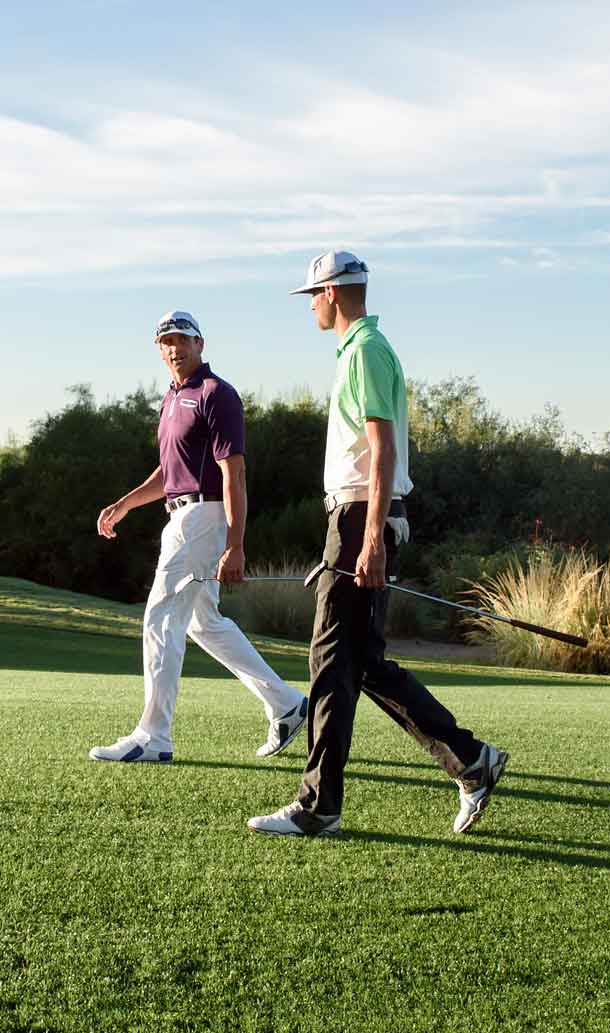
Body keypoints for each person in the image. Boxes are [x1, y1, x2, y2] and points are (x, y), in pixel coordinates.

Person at [248, 252, 508, 837]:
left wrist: (368, 541)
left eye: (312, 296)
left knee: (329, 663)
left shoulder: (364, 351)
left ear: (332, 293)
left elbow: (382, 448)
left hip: (362, 516)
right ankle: (471, 760)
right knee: (362, 664)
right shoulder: (364, 349)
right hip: (358, 517)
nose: (310, 307)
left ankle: (319, 807)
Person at [89, 310, 308, 763]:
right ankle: (286, 704)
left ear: (200, 344)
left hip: (204, 517)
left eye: (182, 340)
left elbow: (234, 474)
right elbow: (170, 471)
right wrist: (125, 504)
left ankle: (154, 736)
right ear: (159, 349)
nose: (175, 348)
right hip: (182, 516)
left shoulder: (216, 393)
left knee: (161, 618)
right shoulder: (171, 398)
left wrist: (236, 544)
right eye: (166, 341)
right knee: (202, 623)